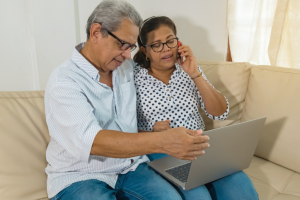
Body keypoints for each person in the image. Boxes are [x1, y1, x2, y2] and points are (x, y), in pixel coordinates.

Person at [44, 1, 210, 200]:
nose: (126, 54)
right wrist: (162, 141)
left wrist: (184, 64)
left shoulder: (125, 68)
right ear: (96, 33)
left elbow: (125, 124)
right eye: (122, 44)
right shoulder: (64, 81)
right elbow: (92, 142)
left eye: (131, 47)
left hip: (131, 167)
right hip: (79, 176)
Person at [133, 16, 259, 200]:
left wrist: (195, 74)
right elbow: (119, 127)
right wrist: (153, 132)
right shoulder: (132, 77)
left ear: (178, 42)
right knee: (198, 196)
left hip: (201, 148)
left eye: (170, 41)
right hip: (162, 150)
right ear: (145, 50)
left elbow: (220, 112)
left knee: (241, 189)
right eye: (157, 45)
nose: (166, 48)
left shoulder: (189, 70)